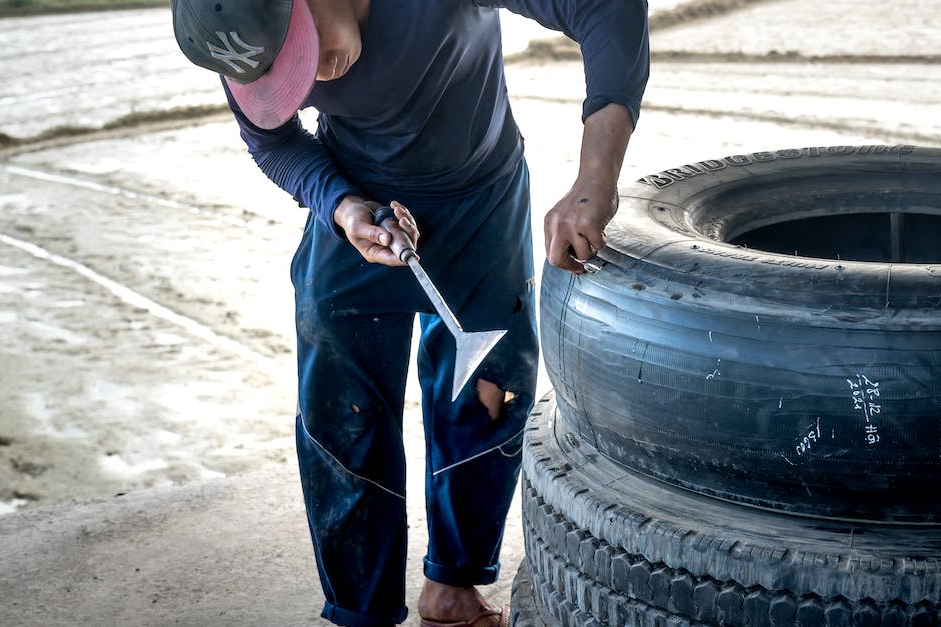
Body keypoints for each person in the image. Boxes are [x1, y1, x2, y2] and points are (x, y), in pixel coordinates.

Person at [171, 0, 648, 625]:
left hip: (480, 197)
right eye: (286, 76)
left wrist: (594, 181)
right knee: (340, 416)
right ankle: (361, 613)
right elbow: (273, 141)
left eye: (302, 55)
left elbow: (605, 9)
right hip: (358, 209)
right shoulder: (237, 34)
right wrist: (342, 209)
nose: (312, 81)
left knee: (487, 396)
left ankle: (452, 590)